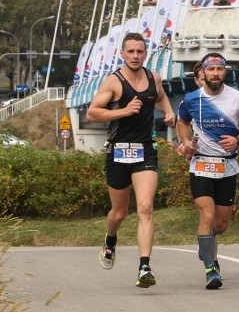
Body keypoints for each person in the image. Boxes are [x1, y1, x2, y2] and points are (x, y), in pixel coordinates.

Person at [85, 32, 176, 289]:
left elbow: (160, 97)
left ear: (145, 54)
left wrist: (168, 113)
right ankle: (110, 239)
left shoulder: (153, 78)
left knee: (145, 207)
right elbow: (92, 113)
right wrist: (123, 111)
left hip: (145, 151)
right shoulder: (114, 82)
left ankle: (144, 266)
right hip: (117, 151)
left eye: (140, 51)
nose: (135, 56)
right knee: (120, 212)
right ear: (122, 54)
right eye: (131, 52)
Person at [176, 52, 239, 290]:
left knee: (220, 225)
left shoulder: (237, 98)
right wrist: (185, 142)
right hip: (201, 164)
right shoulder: (192, 99)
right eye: (210, 70)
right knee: (207, 216)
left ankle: (205, 246)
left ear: (225, 71)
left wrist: (238, 140)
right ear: (202, 72)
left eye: (219, 69)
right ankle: (211, 269)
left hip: (228, 167)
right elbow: (181, 122)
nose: (215, 74)